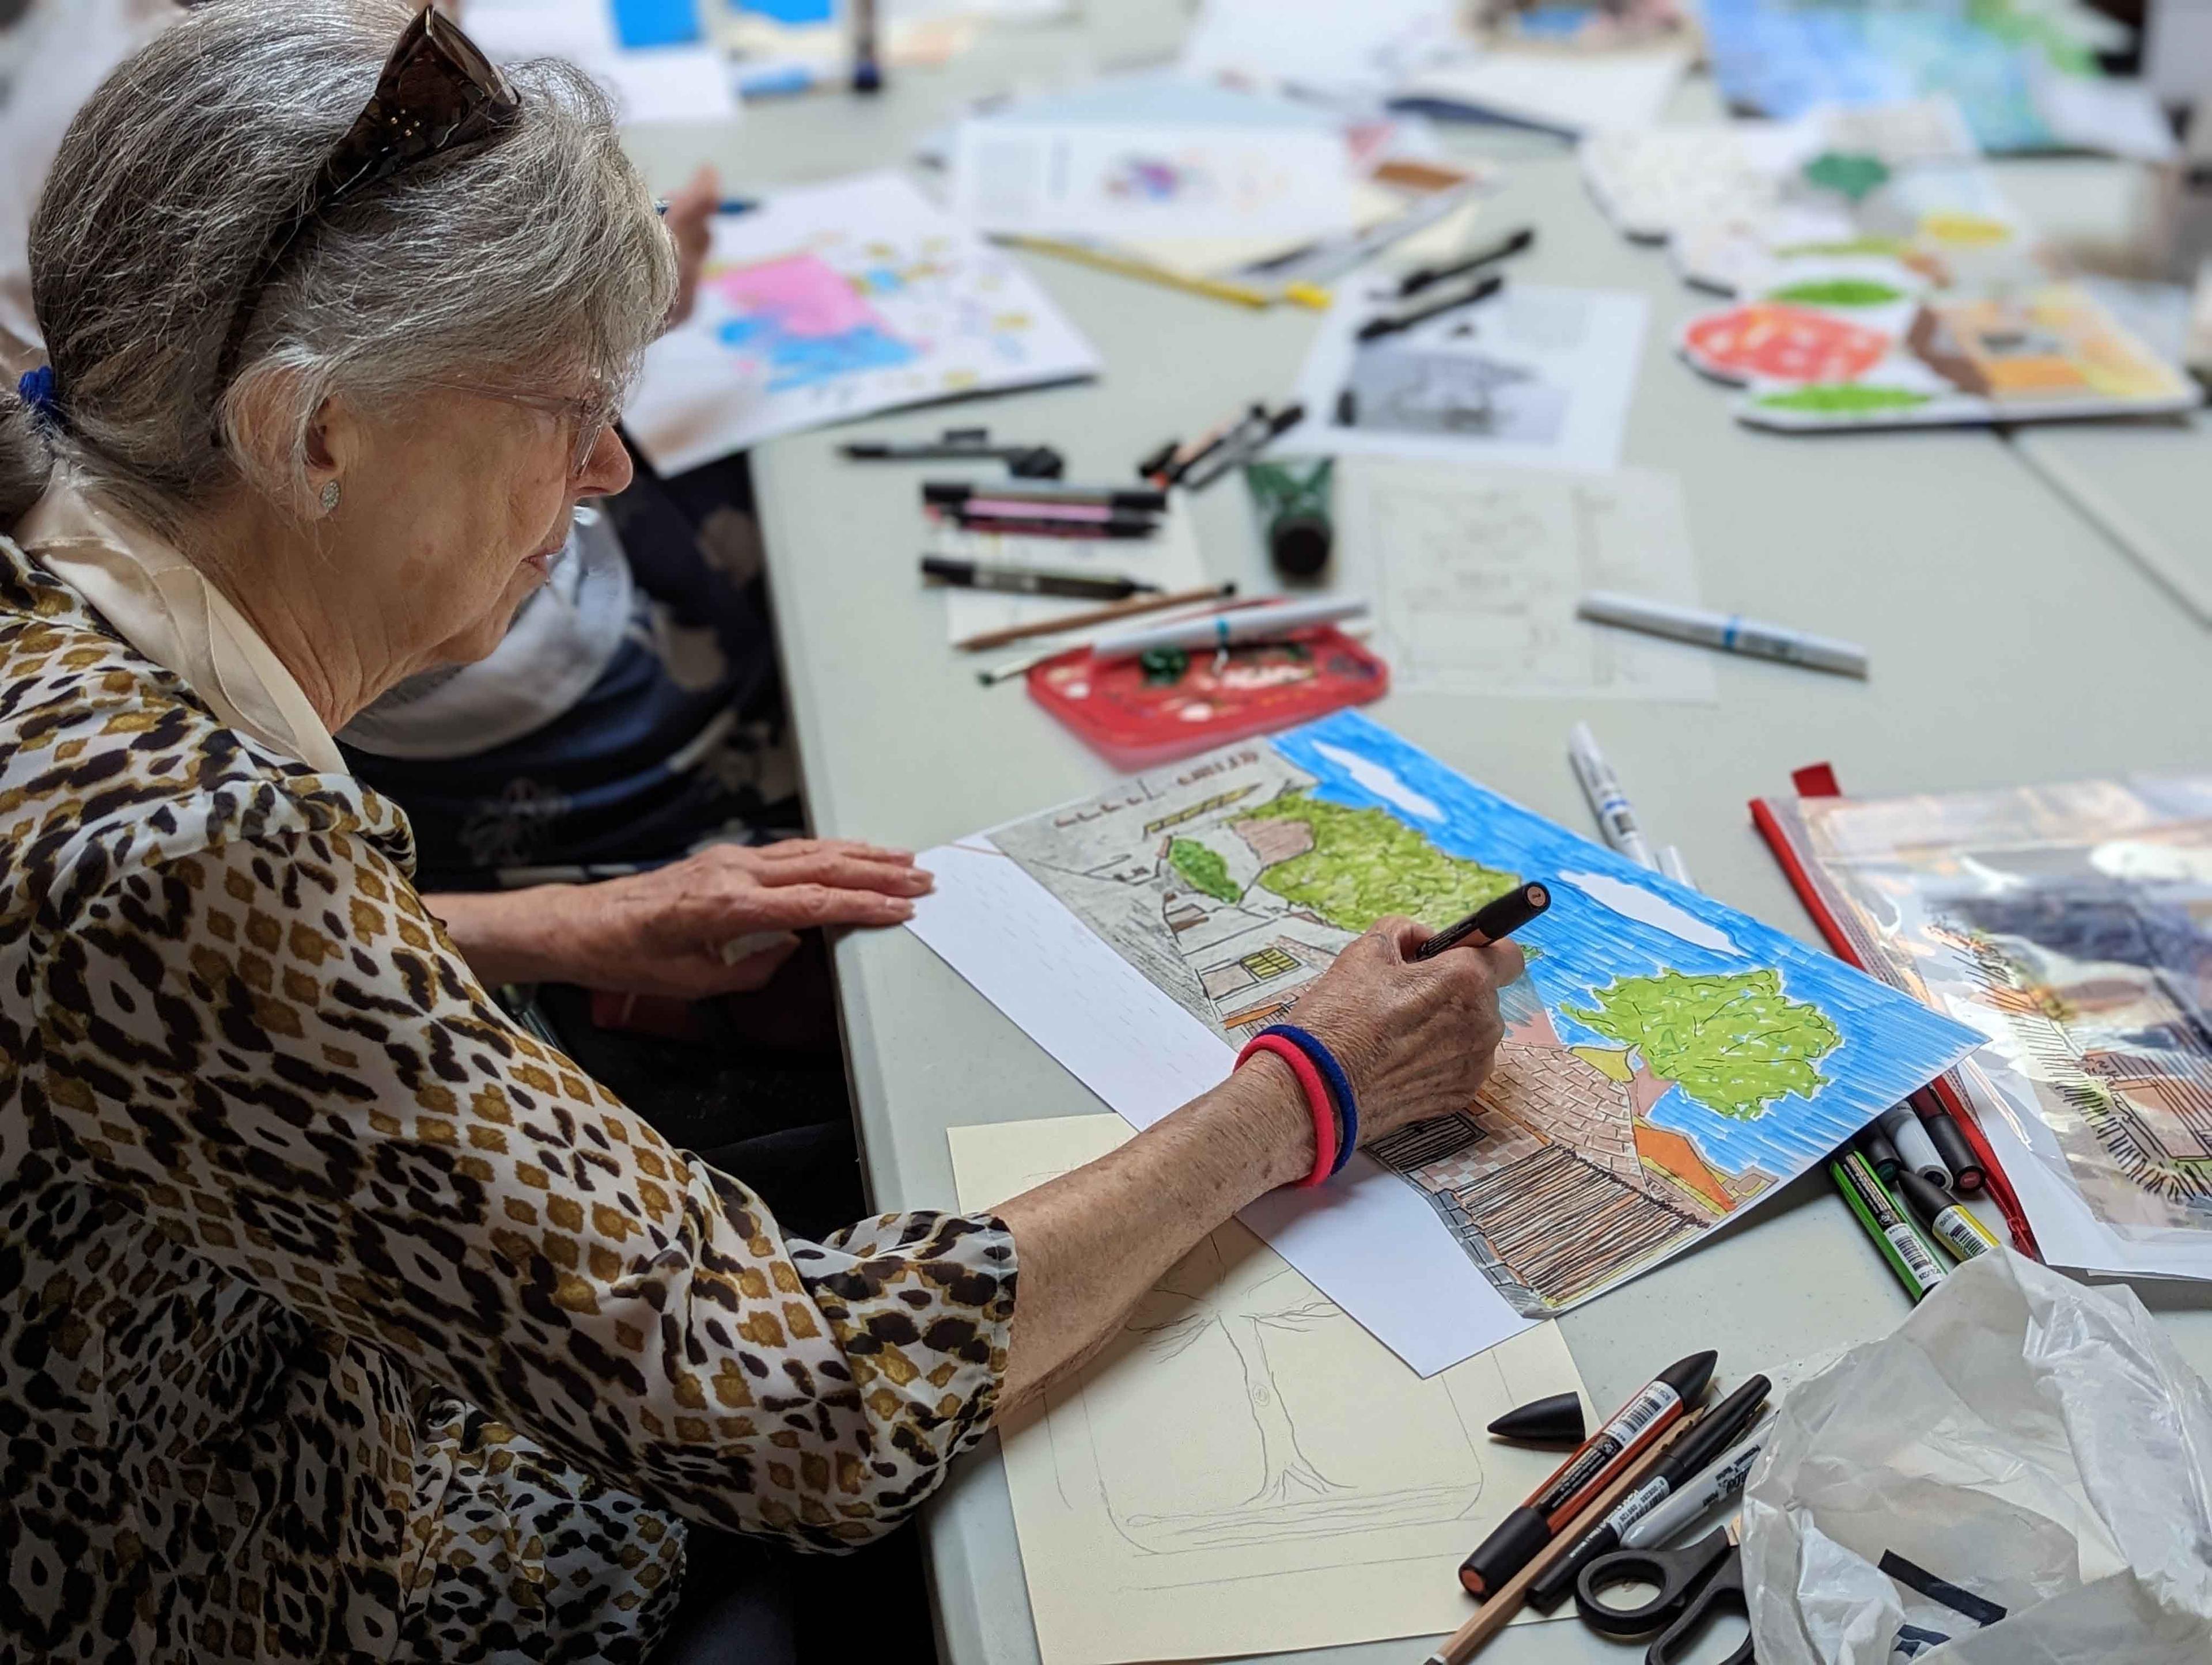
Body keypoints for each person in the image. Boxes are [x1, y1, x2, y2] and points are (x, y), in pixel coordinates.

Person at [0, 5, 1525, 1663]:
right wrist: (1301, 1091)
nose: (602, 471)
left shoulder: (58, 575)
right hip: (301, 1569)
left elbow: (140, 1004)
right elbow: (804, 1408)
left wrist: (541, 926)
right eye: (565, 409)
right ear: (313, 437)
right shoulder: (204, 850)